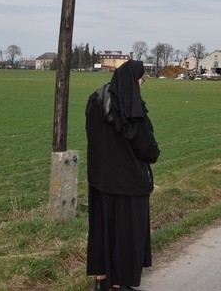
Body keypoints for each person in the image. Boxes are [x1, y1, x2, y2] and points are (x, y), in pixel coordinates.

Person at [86, 60, 160, 291]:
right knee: (127, 233)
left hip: (100, 180)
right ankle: (121, 283)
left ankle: (102, 280)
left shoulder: (95, 100)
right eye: (141, 79)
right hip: (129, 182)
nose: (142, 84)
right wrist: (154, 152)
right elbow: (147, 148)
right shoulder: (133, 109)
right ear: (133, 80)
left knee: (102, 230)